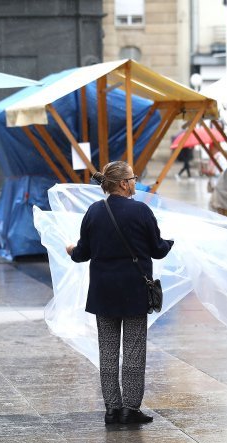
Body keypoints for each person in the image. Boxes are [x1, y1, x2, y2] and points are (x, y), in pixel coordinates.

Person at [65, 161, 173, 425]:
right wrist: (171, 241)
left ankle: (112, 409)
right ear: (124, 183)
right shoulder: (141, 211)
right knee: (134, 351)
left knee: (108, 352)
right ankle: (131, 409)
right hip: (134, 292)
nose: (135, 182)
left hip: (103, 293)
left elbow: (82, 253)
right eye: (133, 178)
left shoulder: (93, 211)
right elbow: (158, 249)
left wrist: (71, 250)